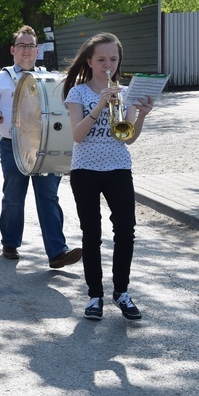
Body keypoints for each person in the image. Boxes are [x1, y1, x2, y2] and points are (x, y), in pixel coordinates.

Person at [62, 33, 153, 321]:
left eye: (113, 59)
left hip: (118, 168)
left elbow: (127, 138)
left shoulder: (125, 92)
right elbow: (77, 135)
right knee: (92, 234)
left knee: (126, 230)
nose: (107, 65)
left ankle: (122, 292)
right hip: (85, 169)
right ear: (89, 61)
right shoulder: (77, 93)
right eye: (101, 59)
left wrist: (141, 116)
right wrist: (100, 105)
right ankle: (94, 296)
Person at [0, 25, 81, 268]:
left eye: (31, 46)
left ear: (38, 51)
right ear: (13, 50)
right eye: (22, 45)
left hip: (44, 144)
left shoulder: (49, 78)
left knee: (49, 196)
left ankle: (57, 252)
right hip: (12, 145)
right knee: (14, 197)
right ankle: (10, 242)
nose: (27, 50)